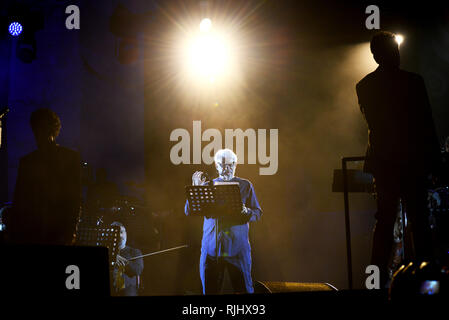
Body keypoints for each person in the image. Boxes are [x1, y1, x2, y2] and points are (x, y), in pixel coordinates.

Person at [356, 31, 441, 287]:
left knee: (385, 220)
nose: (398, 54)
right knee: (419, 219)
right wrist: (434, 160)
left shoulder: (365, 85)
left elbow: (378, 125)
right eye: (394, 49)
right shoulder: (413, 81)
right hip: (411, 161)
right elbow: (426, 123)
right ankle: (425, 276)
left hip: (385, 163)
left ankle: (377, 280)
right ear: (383, 53)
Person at [185, 149, 262, 294]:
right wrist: (196, 188)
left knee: (244, 290)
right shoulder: (207, 186)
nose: (226, 169)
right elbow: (189, 211)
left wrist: (247, 212)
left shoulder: (245, 185)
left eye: (230, 165)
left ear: (235, 165)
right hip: (211, 252)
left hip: (238, 251)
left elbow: (257, 213)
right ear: (216, 165)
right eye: (222, 165)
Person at [7, 108, 81, 245]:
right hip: (46, 232)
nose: (37, 133)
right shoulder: (70, 157)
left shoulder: (28, 161)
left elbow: (19, 200)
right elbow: (74, 199)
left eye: (40, 128)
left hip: (44, 232)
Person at [111, 221, 144, 296]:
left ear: (126, 234)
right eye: (116, 233)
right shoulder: (107, 253)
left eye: (122, 232)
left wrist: (120, 259)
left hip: (128, 291)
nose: (120, 236)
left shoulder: (134, 251)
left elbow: (138, 270)